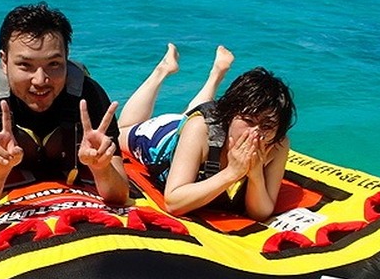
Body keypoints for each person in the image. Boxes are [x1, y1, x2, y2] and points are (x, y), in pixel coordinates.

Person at [0, 2, 127, 216]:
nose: (40, 80)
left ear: (66, 57)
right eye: (25, 65)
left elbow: (120, 196)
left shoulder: (89, 97)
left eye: (54, 64)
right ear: (4, 61)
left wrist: (102, 168)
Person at [118, 44, 296, 221]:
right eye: (248, 121)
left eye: (267, 126)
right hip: (164, 136)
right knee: (120, 131)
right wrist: (232, 172)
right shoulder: (200, 129)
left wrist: (255, 174)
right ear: (231, 116)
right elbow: (174, 203)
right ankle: (162, 70)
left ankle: (216, 74)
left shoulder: (277, 144)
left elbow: (261, 213)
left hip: (200, 127)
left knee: (195, 116)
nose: (255, 133)